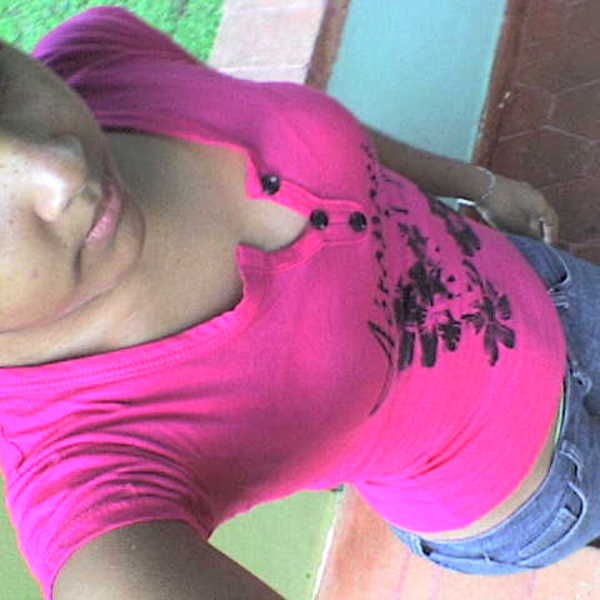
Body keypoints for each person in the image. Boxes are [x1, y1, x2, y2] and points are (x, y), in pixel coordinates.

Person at [0, 6, 594, 600]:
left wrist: (476, 185)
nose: (63, 169)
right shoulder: (81, 466)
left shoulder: (98, 58)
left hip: (548, 283)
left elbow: (333, 143)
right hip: (541, 488)